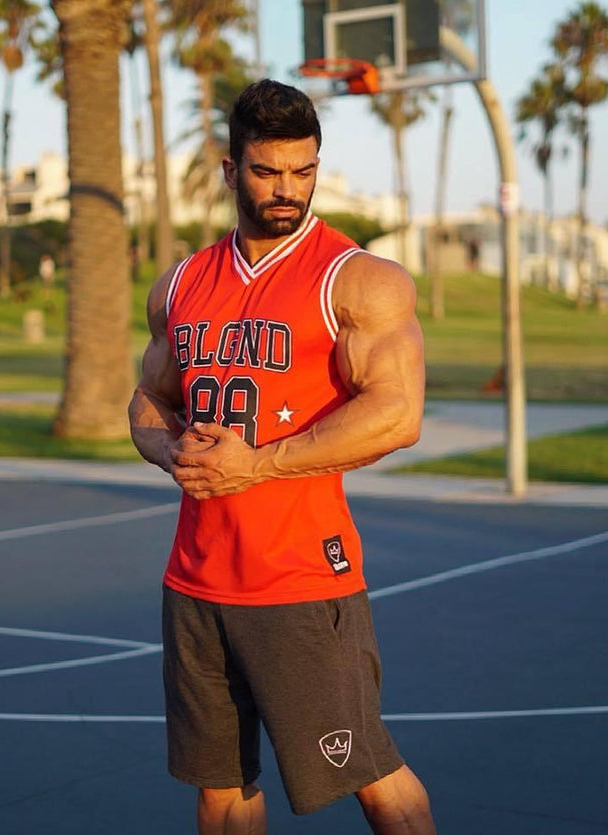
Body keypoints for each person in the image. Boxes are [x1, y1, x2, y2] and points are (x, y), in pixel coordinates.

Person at [129, 79, 434, 834]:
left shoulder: (356, 280)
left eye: (303, 171)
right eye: (267, 171)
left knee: (373, 777)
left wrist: (257, 464)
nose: (286, 190)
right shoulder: (183, 283)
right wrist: (171, 448)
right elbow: (146, 399)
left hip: (299, 579)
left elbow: (398, 414)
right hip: (196, 579)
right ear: (231, 170)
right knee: (220, 791)